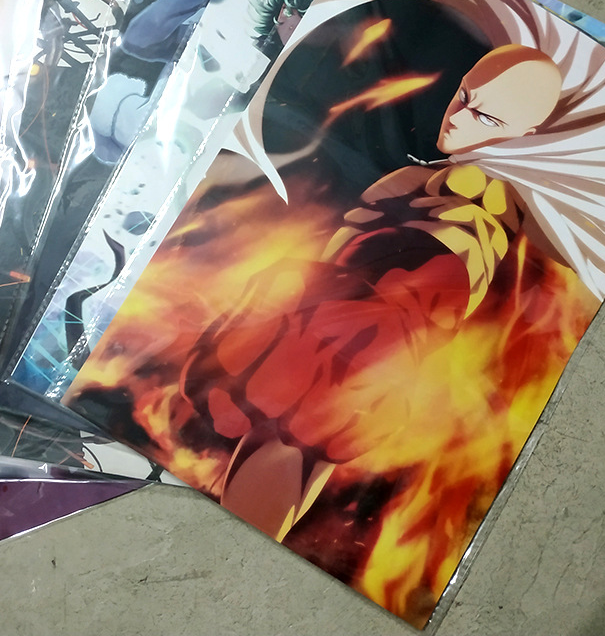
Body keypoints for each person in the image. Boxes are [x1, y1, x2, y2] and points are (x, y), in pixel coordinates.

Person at [178, 44, 565, 538]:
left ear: (525, 133)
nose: (457, 117)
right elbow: (349, 241)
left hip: (380, 328)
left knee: (305, 440)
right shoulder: (426, 182)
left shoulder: (511, 200)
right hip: (360, 314)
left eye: (485, 116)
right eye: (465, 94)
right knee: (297, 437)